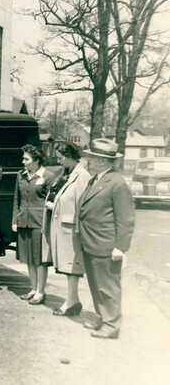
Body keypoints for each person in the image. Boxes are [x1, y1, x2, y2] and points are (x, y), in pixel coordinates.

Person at [76, 138, 135, 339]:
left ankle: (111, 325)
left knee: (108, 286)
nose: (88, 161)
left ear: (102, 161)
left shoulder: (117, 182)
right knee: (95, 284)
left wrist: (120, 247)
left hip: (106, 245)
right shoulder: (97, 179)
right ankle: (103, 318)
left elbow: (125, 218)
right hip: (92, 242)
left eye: (91, 158)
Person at [42, 141, 91, 317]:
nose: (59, 161)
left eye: (61, 158)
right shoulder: (69, 173)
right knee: (68, 268)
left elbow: (84, 205)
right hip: (65, 227)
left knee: (72, 268)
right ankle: (74, 301)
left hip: (73, 229)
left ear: (70, 157)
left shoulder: (82, 175)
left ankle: (71, 303)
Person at [12, 144, 57, 305]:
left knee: (39, 259)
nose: (23, 161)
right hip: (23, 221)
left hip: (40, 223)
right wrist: (15, 220)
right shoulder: (21, 175)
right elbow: (16, 199)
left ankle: (40, 292)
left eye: (26, 159)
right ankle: (33, 289)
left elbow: (53, 200)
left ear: (36, 160)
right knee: (29, 258)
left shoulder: (48, 176)